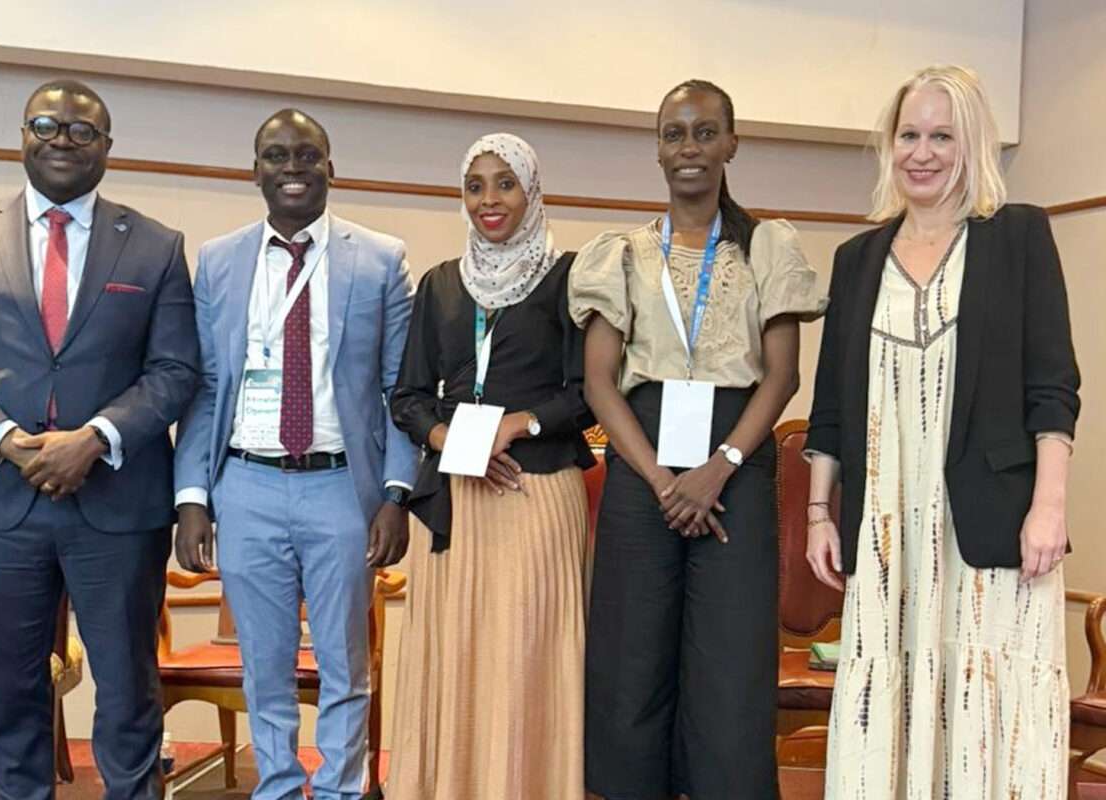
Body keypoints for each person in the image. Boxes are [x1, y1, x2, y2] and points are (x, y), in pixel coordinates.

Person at [0, 79, 199, 799]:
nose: (62, 139)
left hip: (118, 506)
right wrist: (6, 439)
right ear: (22, 135)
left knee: (128, 690)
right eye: (46, 125)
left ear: (107, 147)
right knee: (10, 696)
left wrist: (95, 438)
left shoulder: (156, 246)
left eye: (82, 130)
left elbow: (176, 370)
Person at [804, 64, 1080, 798]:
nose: (921, 153)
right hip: (886, 528)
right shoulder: (857, 260)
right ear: (889, 145)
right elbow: (830, 405)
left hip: (993, 522)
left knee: (989, 704)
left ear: (973, 144)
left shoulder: (1019, 235)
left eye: (941, 137)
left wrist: (1049, 505)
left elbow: (1053, 386)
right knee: (887, 703)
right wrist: (819, 512)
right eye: (908, 136)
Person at [571, 80, 826, 799]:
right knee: (631, 656)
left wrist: (720, 466)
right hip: (640, 463)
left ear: (731, 144)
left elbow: (783, 375)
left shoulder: (767, 244)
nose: (689, 147)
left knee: (729, 661)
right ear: (658, 149)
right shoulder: (622, 253)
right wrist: (660, 479)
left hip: (736, 466)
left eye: (705, 132)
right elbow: (599, 383)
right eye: (674, 134)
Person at [173, 108, 416, 800]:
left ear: (330, 169)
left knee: (344, 663)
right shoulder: (219, 261)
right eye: (276, 156)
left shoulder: (380, 259)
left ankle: (340, 790)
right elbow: (205, 387)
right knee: (265, 665)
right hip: (245, 484)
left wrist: (396, 493)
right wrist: (192, 497)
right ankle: (276, 787)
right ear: (255, 170)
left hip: (341, 486)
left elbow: (398, 387)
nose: (292, 169)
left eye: (307, 156)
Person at [387, 133, 596, 799]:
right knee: (457, 655)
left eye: (505, 183)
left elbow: (589, 394)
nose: (489, 200)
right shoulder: (441, 283)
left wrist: (519, 424)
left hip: (535, 494)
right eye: (475, 186)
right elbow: (408, 396)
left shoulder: (568, 279)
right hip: (457, 497)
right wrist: (450, 439)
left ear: (531, 191)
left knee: (525, 657)